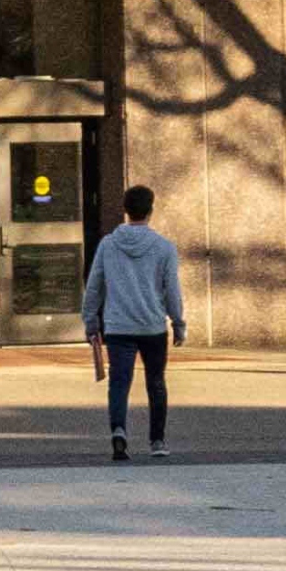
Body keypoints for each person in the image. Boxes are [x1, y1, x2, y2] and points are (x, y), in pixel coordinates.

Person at [81, 181, 182, 460]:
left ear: (125, 211)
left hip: (118, 326)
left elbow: (95, 286)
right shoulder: (164, 248)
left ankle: (118, 431)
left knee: (119, 382)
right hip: (152, 326)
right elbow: (171, 289)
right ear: (150, 211)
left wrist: (91, 321)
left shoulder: (108, 245)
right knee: (156, 382)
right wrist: (178, 322)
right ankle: (157, 441)